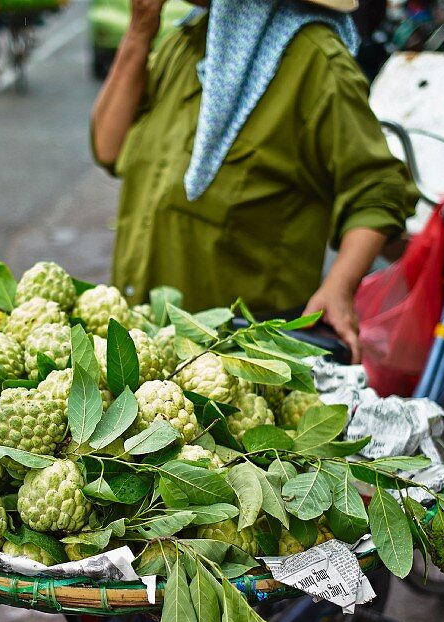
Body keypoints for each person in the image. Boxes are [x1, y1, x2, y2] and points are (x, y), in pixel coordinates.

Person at [91, 0, 418, 363]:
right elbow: (109, 147)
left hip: (241, 358)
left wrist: (339, 289)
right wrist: (139, 31)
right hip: (147, 340)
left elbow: (378, 187)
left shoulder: (313, 60)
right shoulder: (186, 41)